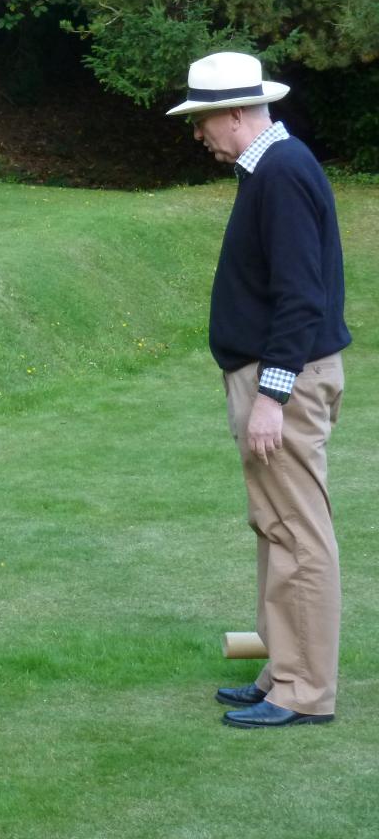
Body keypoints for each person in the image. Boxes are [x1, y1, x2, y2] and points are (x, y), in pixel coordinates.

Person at [167, 51, 351, 727]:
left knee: (299, 534)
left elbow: (301, 300)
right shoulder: (269, 170)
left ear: (237, 115)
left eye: (203, 122)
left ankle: (305, 694)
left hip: (286, 383)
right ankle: (284, 674)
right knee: (277, 528)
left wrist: (271, 397)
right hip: (274, 378)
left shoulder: (282, 173)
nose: (198, 135)